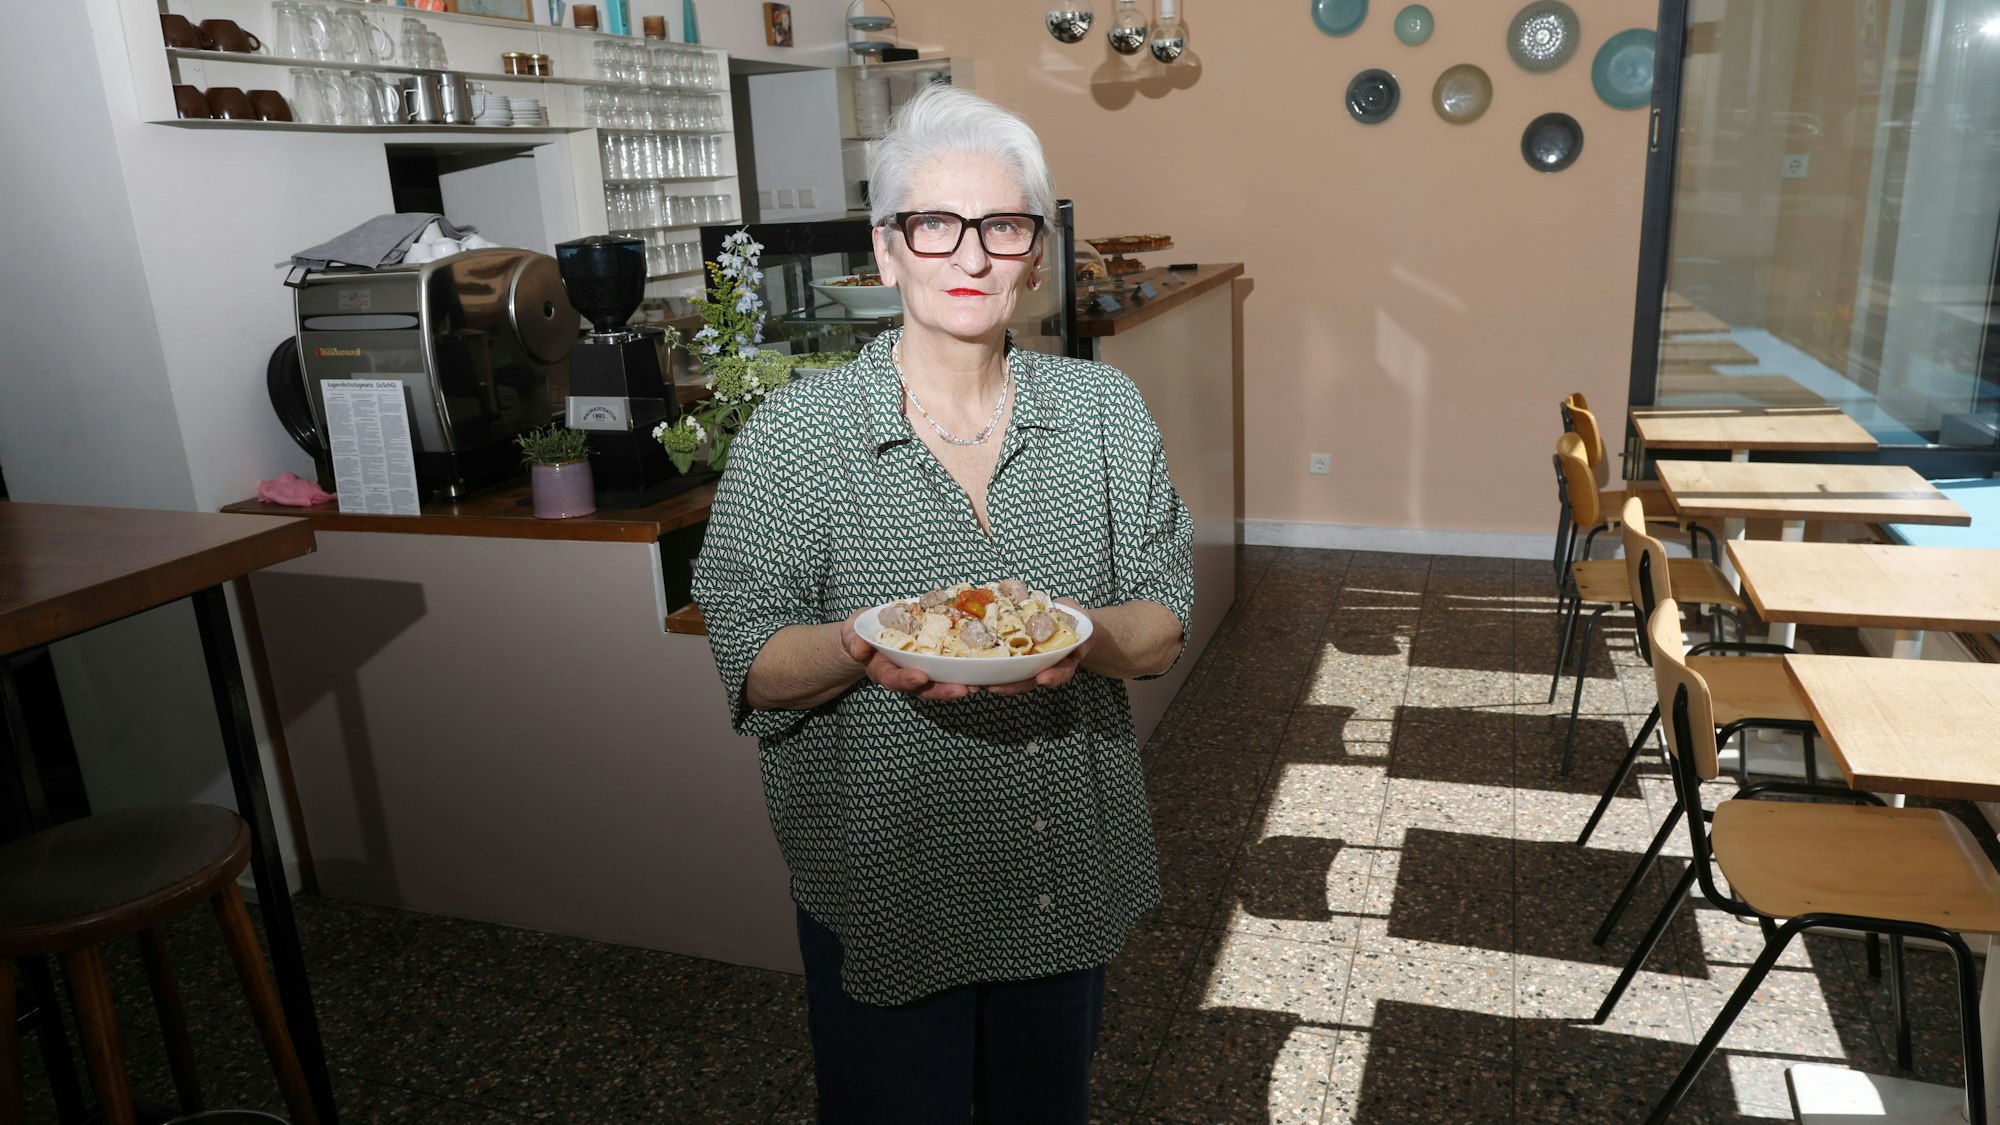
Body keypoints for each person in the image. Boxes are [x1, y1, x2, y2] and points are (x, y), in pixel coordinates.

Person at [691, 83, 1193, 1124]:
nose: (969, 256)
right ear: (886, 250)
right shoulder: (796, 437)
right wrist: (852, 645)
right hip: (887, 892)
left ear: (1034, 255)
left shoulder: (1102, 412)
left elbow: (1160, 621)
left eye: (1002, 226)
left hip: (1060, 879)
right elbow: (747, 660)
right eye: (934, 224)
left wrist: (1085, 634)